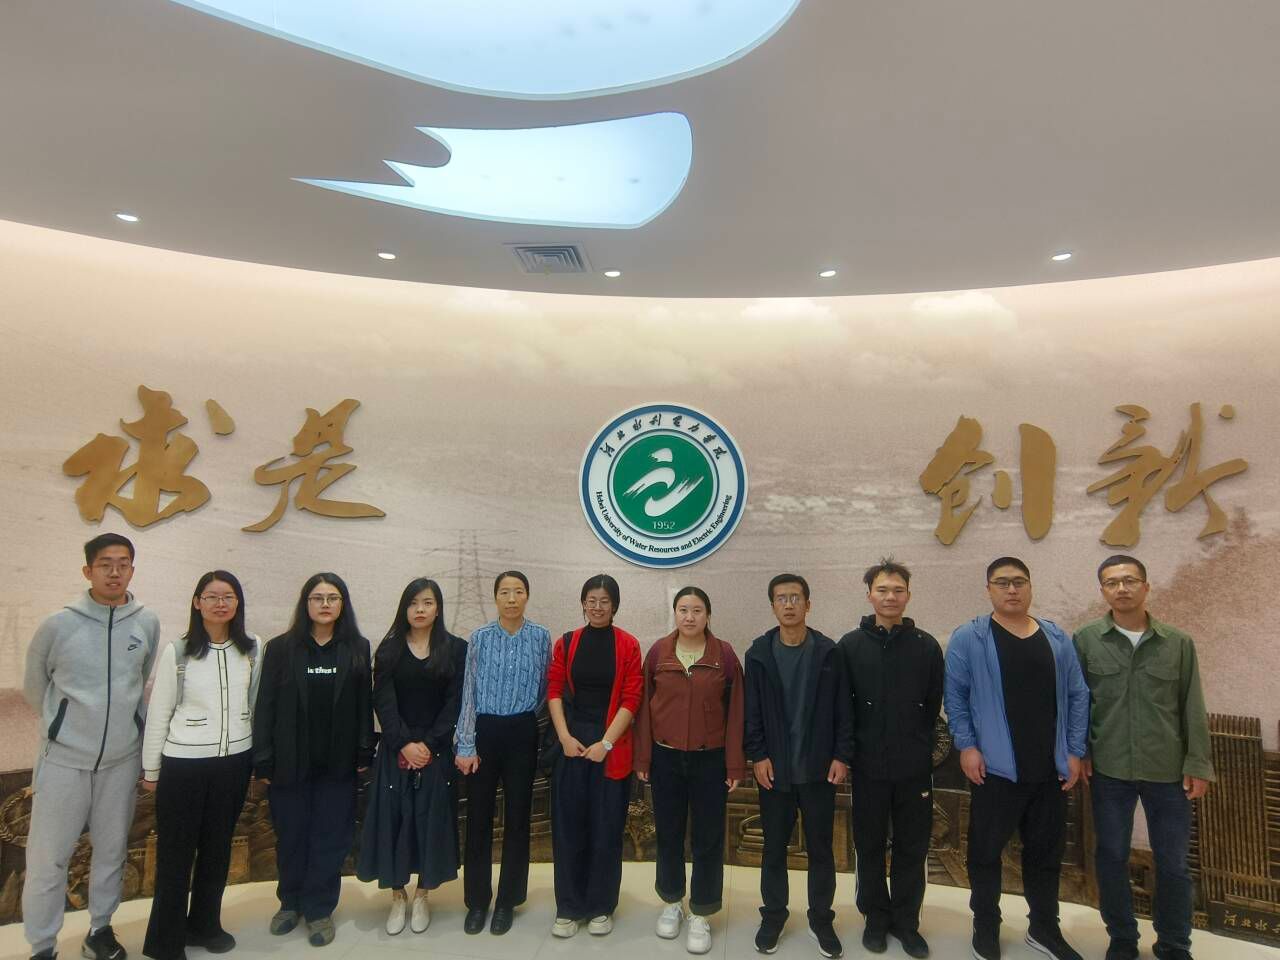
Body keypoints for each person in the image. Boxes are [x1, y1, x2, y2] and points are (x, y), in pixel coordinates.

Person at [22, 533, 161, 960]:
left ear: (132, 570)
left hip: (121, 761)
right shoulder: (58, 625)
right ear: (88, 571)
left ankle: (100, 930)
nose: (114, 572)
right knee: (48, 859)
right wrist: (64, 728)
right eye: (105, 564)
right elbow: (35, 687)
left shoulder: (146, 623)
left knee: (112, 852)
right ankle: (42, 945)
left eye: (123, 564)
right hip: (63, 761)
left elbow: (139, 681)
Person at [944, 557, 1089, 960]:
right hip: (994, 769)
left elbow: (1078, 694)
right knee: (985, 854)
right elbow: (955, 697)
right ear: (988, 589)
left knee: (1046, 855)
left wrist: (1074, 750)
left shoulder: (1056, 638)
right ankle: (986, 926)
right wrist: (966, 746)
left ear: (1030, 587)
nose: (1012, 589)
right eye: (1002, 582)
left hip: (1049, 770)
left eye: (1019, 581)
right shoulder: (969, 638)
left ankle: (1044, 928)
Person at [1073, 556, 1214, 960]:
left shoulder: (1177, 643)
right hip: (1109, 769)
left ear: (1146, 587)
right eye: (1112, 582)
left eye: (1130, 580)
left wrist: (1198, 763)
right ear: (1102, 591)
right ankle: (1122, 937)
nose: (1121, 588)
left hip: (1167, 770)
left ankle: (1174, 942)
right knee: (1111, 856)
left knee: (1173, 863)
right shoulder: (1086, 640)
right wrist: (1081, 751)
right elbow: (1077, 701)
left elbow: (1192, 705)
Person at [140, 571, 260, 960]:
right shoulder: (178, 651)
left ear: (238, 603)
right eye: (211, 596)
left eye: (228, 597)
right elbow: (160, 712)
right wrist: (151, 770)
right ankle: (165, 941)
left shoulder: (252, 648)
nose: (220, 604)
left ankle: (205, 925)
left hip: (234, 762)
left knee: (217, 849)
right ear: (197, 603)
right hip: (184, 765)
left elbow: (255, 703)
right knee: (176, 854)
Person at [252, 573, 373, 948]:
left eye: (333, 598)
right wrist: (263, 759)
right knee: (291, 836)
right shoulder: (281, 648)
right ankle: (290, 903)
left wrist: (364, 751)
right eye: (317, 597)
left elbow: (363, 705)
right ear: (305, 603)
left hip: (337, 765)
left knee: (330, 838)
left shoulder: (357, 648)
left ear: (342, 605)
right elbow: (265, 706)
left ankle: (319, 909)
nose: (325, 604)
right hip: (289, 763)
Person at [836, 559, 942, 959]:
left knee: (913, 846)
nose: (890, 596)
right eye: (882, 590)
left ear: (908, 596)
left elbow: (932, 704)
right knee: (869, 843)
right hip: (867, 766)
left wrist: (917, 744)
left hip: (913, 766)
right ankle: (875, 918)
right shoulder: (850, 646)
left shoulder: (926, 646)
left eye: (898, 590)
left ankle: (906, 922)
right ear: (869, 596)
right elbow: (842, 708)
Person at [744, 573, 853, 959]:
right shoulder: (759, 653)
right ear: (772, 606)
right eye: (781, 598)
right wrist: (757, 754)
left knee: (821, 849)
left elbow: (844, 709)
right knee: (774, 847)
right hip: (775, 770)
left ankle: (821, 919)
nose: (788, 604)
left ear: (808, 604)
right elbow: (751, 711)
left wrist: (842, 755)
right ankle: (773, 916)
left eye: (795, 597)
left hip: (819, 769)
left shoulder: (829, 652)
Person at [634, 586, 747, 955]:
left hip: (709, 760)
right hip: (665, 758)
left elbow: (737, 712)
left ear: (708, 615)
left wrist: (734, 763)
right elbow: (643, 710)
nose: (689, 616)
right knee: (668, 833)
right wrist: (643, 758)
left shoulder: (723, 655)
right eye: (683, 609)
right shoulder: (658, 653)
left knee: (708, 838)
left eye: (697, 610)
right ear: (675, 614)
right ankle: (672, 902)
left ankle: (701, 910)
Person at [357, 578, 466, 936]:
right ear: (404, 608)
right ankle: (397, 896)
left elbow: (455, 702)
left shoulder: (455, 649)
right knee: (395, 821)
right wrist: (404, 743)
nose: (420, 609)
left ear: (438, 608)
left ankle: (422, 895)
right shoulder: (389, 650)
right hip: (395, 749)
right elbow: (383, 701)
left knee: (429, 822)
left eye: (427, 602)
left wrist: (430, 745)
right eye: (413, 603)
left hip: (436, 750)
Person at [546, 574, 643, 939]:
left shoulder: (628, 644)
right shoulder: (567, 642)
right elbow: (554, 690)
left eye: (604, 601)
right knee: (568, 829)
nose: (597, 607)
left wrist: (606, 744)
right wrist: (564, 737)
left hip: (610, 747)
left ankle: (601, 906)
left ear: (614, 605)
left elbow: (632, 698)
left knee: (606, 829)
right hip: (571, 745)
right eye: (591, 600)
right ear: (583, 603)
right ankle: (568, 907)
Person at [454, 571, 550, 935]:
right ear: (495, 597)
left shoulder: (541, 637)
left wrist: (526, 720)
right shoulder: (479, 638)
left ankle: (508, 901)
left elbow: (545, 689)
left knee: (518, 817)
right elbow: (469, 692)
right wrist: (466, 742)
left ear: (527, 596)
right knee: (478, 817)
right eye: (505, 592)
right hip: (485, 731)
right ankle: (477, 901)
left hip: (523, 731)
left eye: (518, 591)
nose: (512, 598)